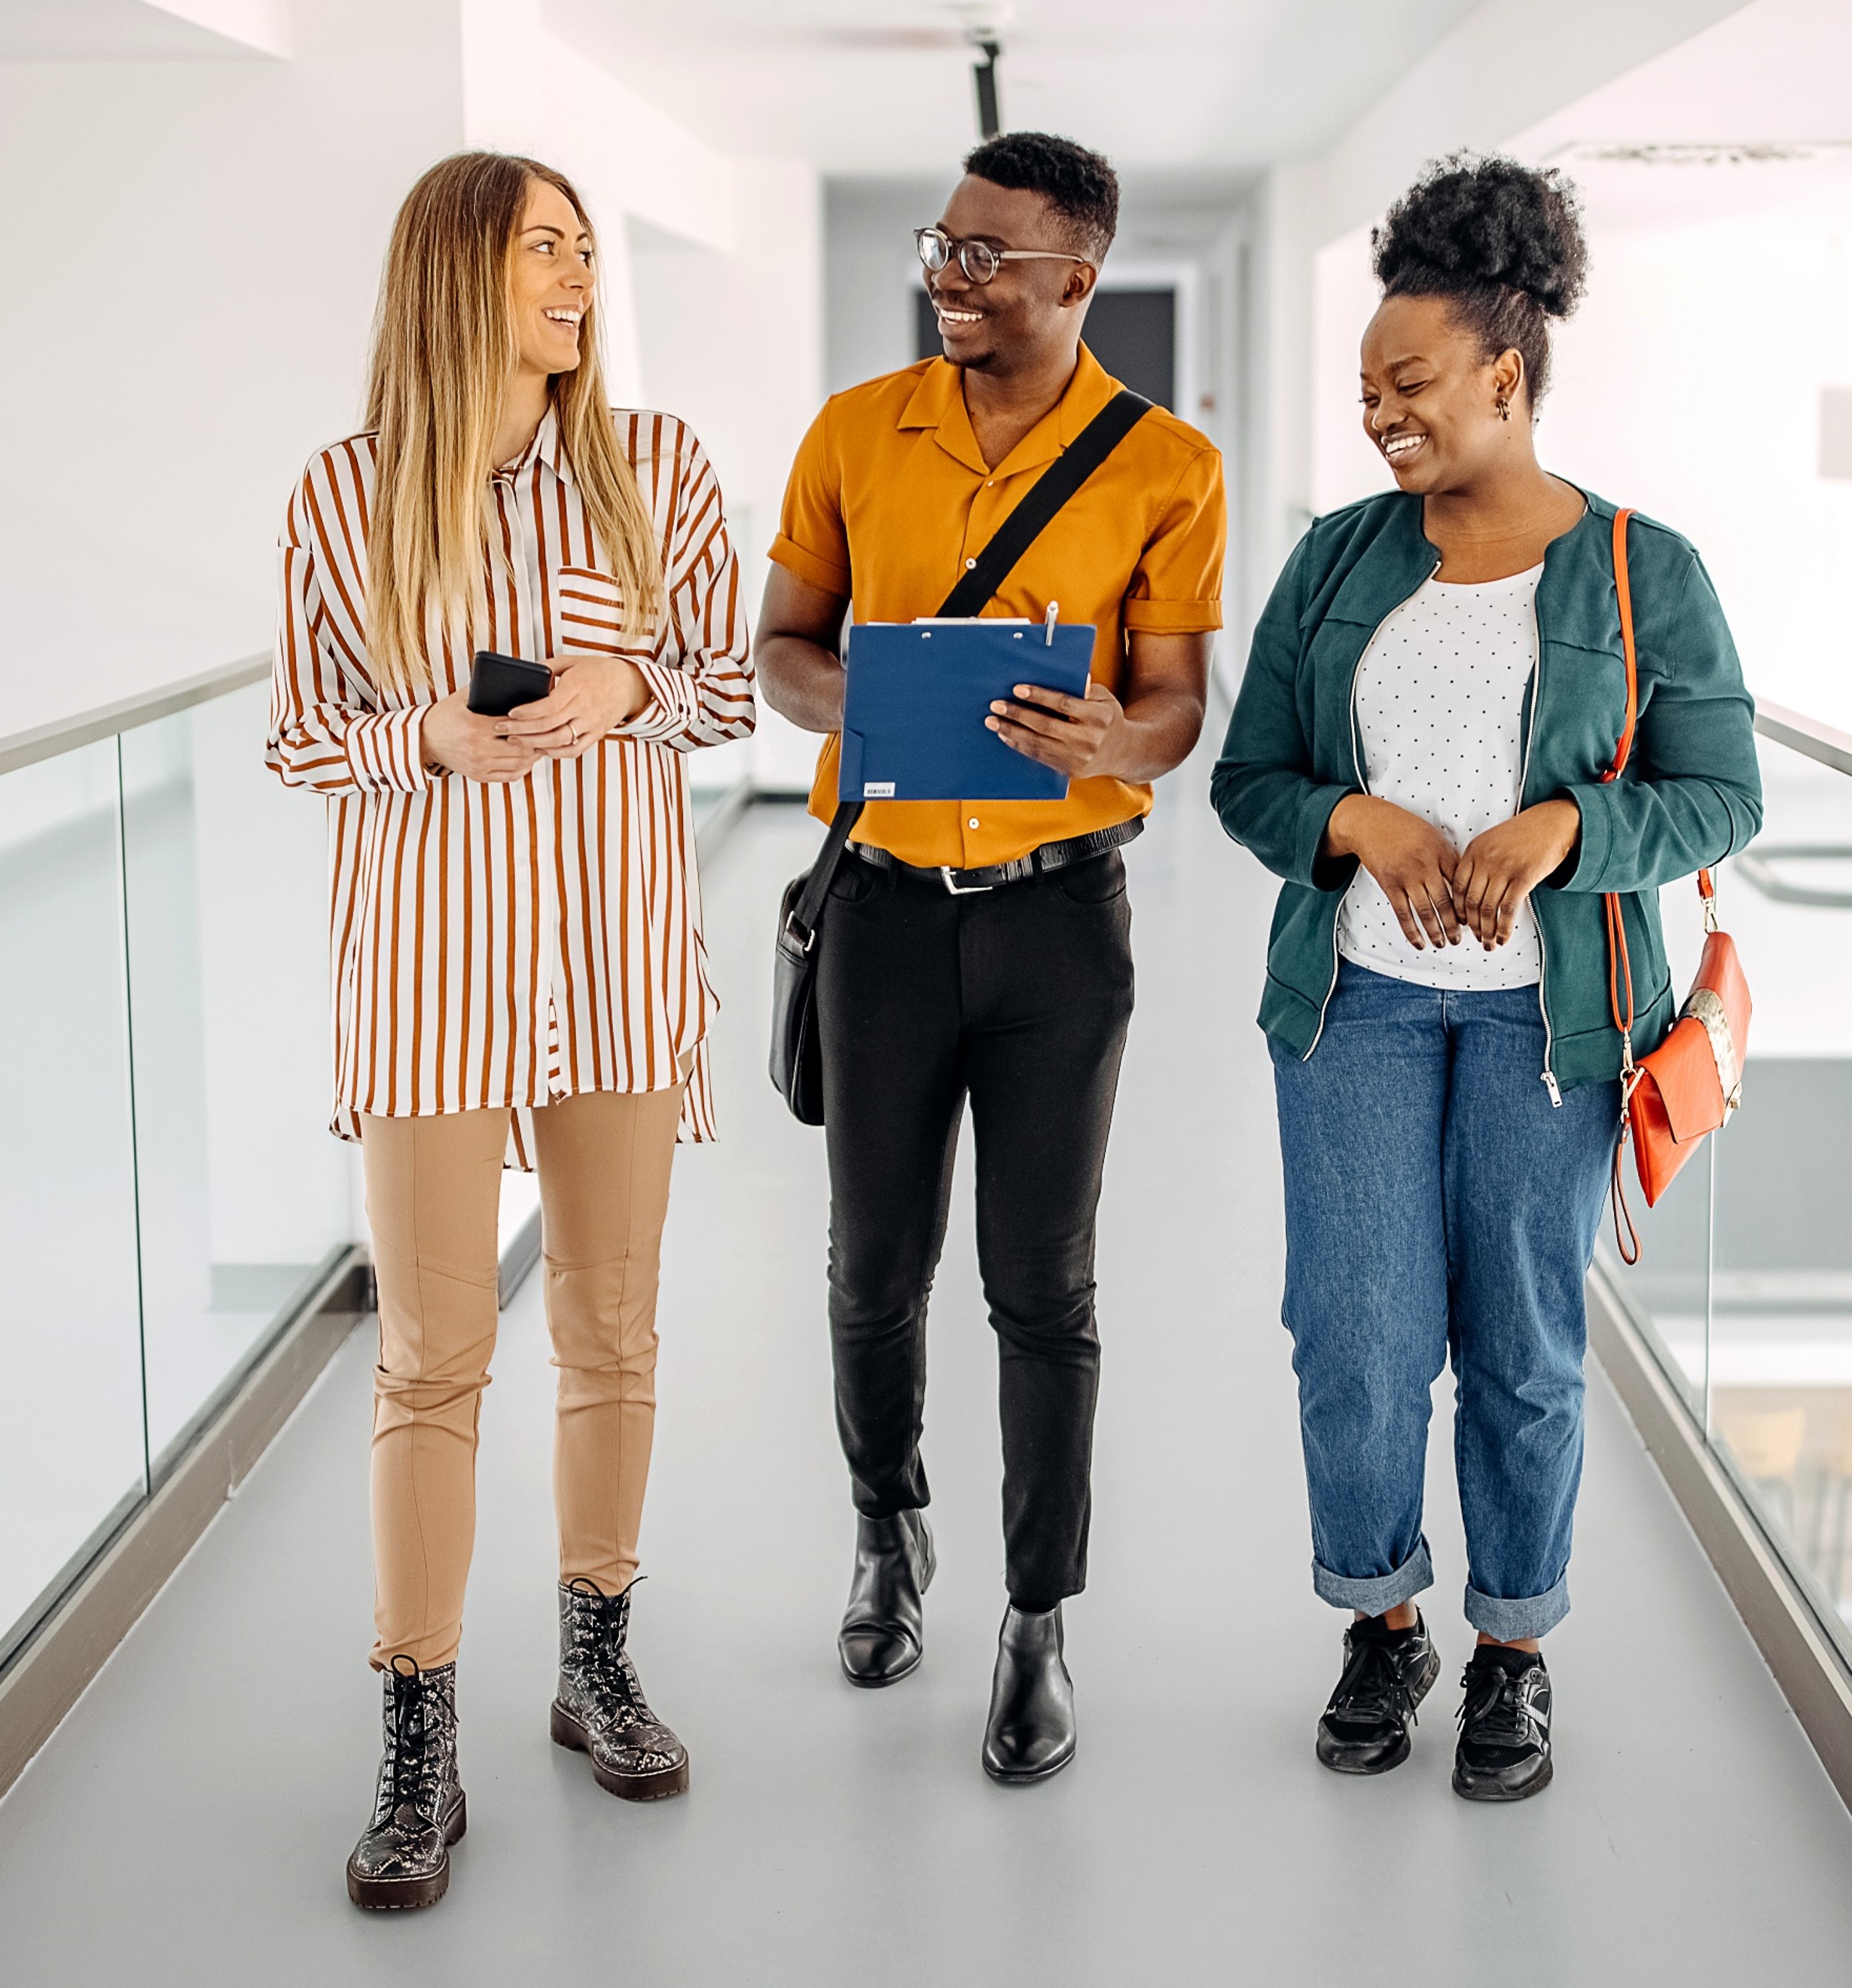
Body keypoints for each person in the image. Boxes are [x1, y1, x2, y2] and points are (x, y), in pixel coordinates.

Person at [1209, 154, 1761, 1801]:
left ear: (1505, 378)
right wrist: (1357, 820)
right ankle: (1380, 1623)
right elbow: (1250, 784)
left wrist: (1559, 834)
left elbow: (1720, 794)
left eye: (1411, 383)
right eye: (1367, 387)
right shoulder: (1335, 562)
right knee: (1357, 1338)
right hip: (1355, 1008)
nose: (1380, 414)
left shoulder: (1641, 570)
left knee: (1521, 1347)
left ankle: (1512, 1651)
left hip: (1552, 1023)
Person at [267, 151, 754, 1910]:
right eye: (542, 248)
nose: (575, 277)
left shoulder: (658, 473)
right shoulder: (345, 495)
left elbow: (727, 686)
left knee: (611, 1332)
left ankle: (595, 1664)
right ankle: (415, 1740)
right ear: (456, 272)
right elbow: (299, 733)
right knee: (431, 1358)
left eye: (581, 251)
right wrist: (427, 741)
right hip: (432, 976)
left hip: (615, 964)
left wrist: (626, 683)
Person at [752, 130, 1225, 1785]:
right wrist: (865, 697)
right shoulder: (849, 434)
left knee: (1044, 1287)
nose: (949, 279)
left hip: (1054, 919)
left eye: (985, 258)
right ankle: (891, 1534)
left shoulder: (1166, 464)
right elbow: (779, 652)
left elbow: (1176, 704)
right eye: (939, 249)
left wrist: (1121, 730)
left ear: (1074, 278)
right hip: (879, 911)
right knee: (871, 1273)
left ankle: (1038, 1619)